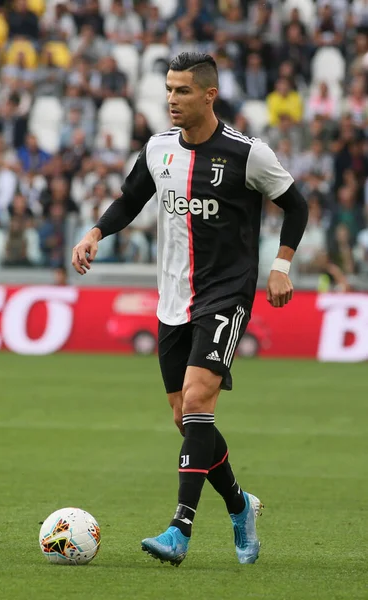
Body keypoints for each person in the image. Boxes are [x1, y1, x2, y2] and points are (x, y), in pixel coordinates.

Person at [72, 52, 308, 566]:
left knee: (200, 401)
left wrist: (282, 265)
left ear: (209, 95)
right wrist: (95, 232)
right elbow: (131, 199)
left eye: (182, 91)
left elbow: (297, 204)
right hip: (173, 298)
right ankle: (241, 505)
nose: (172, 100)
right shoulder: (158, 149)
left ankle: (180, 529)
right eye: (168, 89)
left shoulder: (249, 153)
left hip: (226, 294)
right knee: (186, 419)